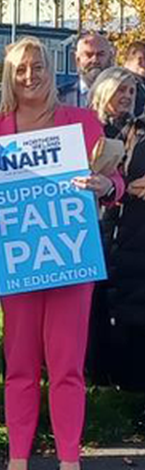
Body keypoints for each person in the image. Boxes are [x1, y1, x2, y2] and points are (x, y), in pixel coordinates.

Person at [0, 36, 124, 470]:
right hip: (18, 261)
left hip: (70, 261)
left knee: (67, 366)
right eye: (20, 68)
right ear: (9, 75)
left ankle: (69, 462)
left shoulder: (81, 123)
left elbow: (114, 178)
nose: (30, 75)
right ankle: (17, 458)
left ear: (51, 69)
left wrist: (104, 185)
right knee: (19, 363)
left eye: (37, 66)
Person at [86, 67, 143, 391]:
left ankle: (117, 372)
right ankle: (96, 371)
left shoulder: (139, 130)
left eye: (131, 93)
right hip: (92, 224)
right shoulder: (86, 127)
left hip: (127, 229)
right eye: (120, 91)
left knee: (119, 300)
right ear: (102, 92)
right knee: (93, 301)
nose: (125, 97)